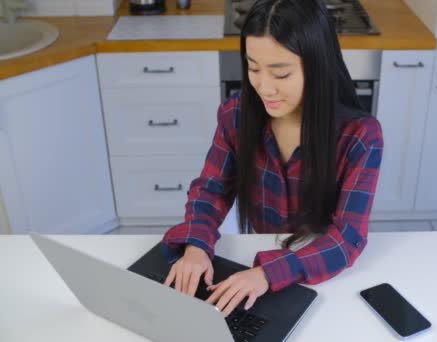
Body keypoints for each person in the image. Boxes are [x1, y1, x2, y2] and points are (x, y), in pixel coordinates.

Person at [161, 0, 383, 317]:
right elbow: (210, 190)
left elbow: (348, 239)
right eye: (253, 68)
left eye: (281, 74)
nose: (265, 88)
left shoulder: (361, 136)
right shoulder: (236, 114)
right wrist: (196, 246)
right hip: (259, 255)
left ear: (318, 67)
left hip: (322, 274)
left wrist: (267, 274)